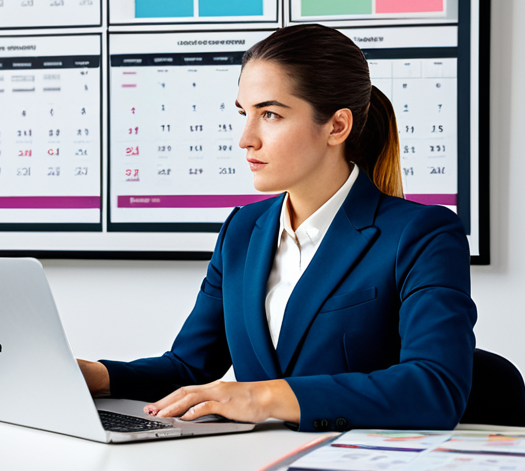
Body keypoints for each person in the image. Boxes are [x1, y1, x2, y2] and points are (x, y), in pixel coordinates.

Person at [79, 24, 477, 432]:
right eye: (244, 114)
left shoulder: (423, 234)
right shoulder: (242, 229)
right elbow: (189, 368)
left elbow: (435, 387)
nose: (246, 139)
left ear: (337, 126)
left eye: (269, 114)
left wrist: (263, 395)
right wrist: (97, 376)